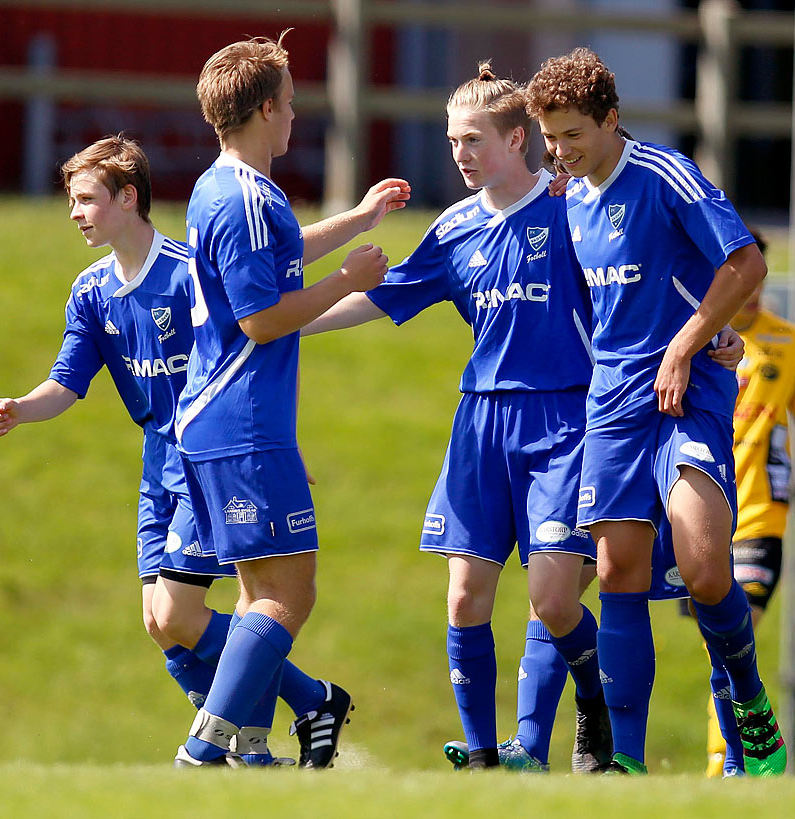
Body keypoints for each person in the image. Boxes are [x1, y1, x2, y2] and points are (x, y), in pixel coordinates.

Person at [303, 64, 743, 773]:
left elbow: (644, 280)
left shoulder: (571, 208)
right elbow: (384, 299)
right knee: (464, 596)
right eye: (451, 140)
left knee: (554, 596)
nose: (460, 153)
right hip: (481, 423)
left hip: (570, 419)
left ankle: (587, 719)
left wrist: (717, 332)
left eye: (473, 138)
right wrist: (288, 323)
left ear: (518, 139)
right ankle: (488, 758)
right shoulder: (454, 229)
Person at [0, 134, 353, 767]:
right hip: (159, 465)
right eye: (72, 200)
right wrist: (21, 408)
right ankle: (281, 727)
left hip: (207, 458)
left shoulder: (187, 273)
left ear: (129, 198)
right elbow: (68, 382)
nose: (75, 212)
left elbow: (252, 335)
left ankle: (240, 739)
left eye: (86, 199)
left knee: (180, 615)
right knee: (161, 624)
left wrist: (274, 448)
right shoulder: (92, 291)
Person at [527, 47, 786, 776]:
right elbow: (589, 314)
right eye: (550, 137)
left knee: (706, 567)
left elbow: (746, 264)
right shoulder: (567, 199)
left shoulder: (665, 174)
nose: (560, 151)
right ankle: (628, 765)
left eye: (573, 135)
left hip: (689, 392)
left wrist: (691, 343)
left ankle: (749, 701)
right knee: (618, 573)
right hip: (613, 406)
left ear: (611, 121)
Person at [171, 34, 409, 767]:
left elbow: (274, 251)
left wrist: (358, 218)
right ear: (267, 107)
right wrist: (349, 278)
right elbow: (260, 317)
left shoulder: (227, 188)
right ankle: (202, 751)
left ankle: (245, 748)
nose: (296, 117)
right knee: (287, 597)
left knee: (254, 596)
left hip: (217, 418)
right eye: (293, 103)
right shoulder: (244, 196)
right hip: (242, 417)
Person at [695, 228, 795, 778]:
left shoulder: (793, 342)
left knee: (737, 629)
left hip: (759, 513)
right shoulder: (692, 335)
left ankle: (730, 760)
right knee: (717, 642)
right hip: (700, 511)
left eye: (756, 280)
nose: (748, 293)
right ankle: (731, 754)